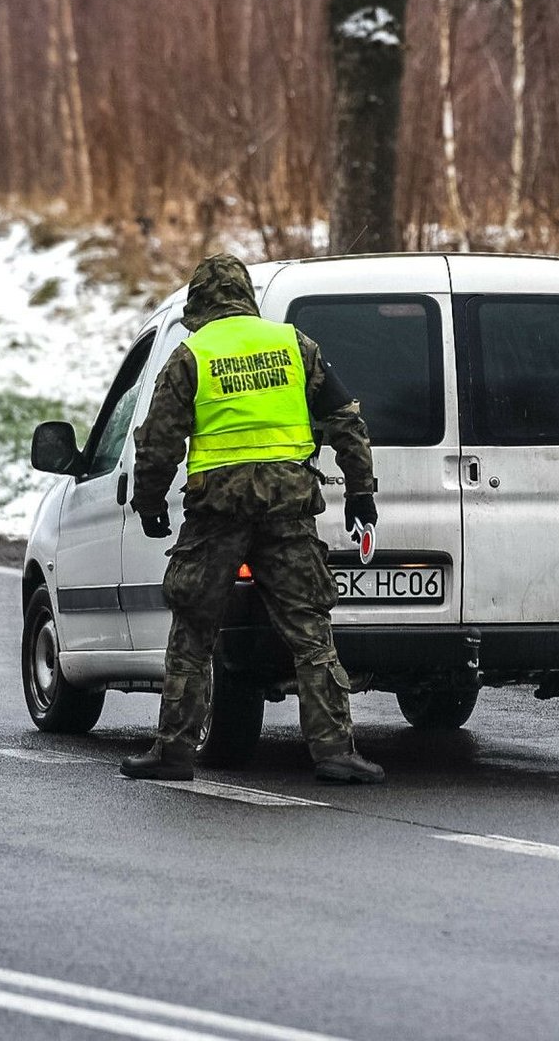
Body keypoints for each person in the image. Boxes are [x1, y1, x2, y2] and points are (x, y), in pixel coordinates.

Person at [121, 254, 384, 785]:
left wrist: (149, 505)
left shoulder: (190, 355)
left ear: (201, 302)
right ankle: (335, 751)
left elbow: (157, 443)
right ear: (245, 296)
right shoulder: (294, 346)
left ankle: (174, 751)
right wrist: (360, 492)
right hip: (288, 510)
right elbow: (346, 422)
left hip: (216, 514)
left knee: (193, 630)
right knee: (310, 631)